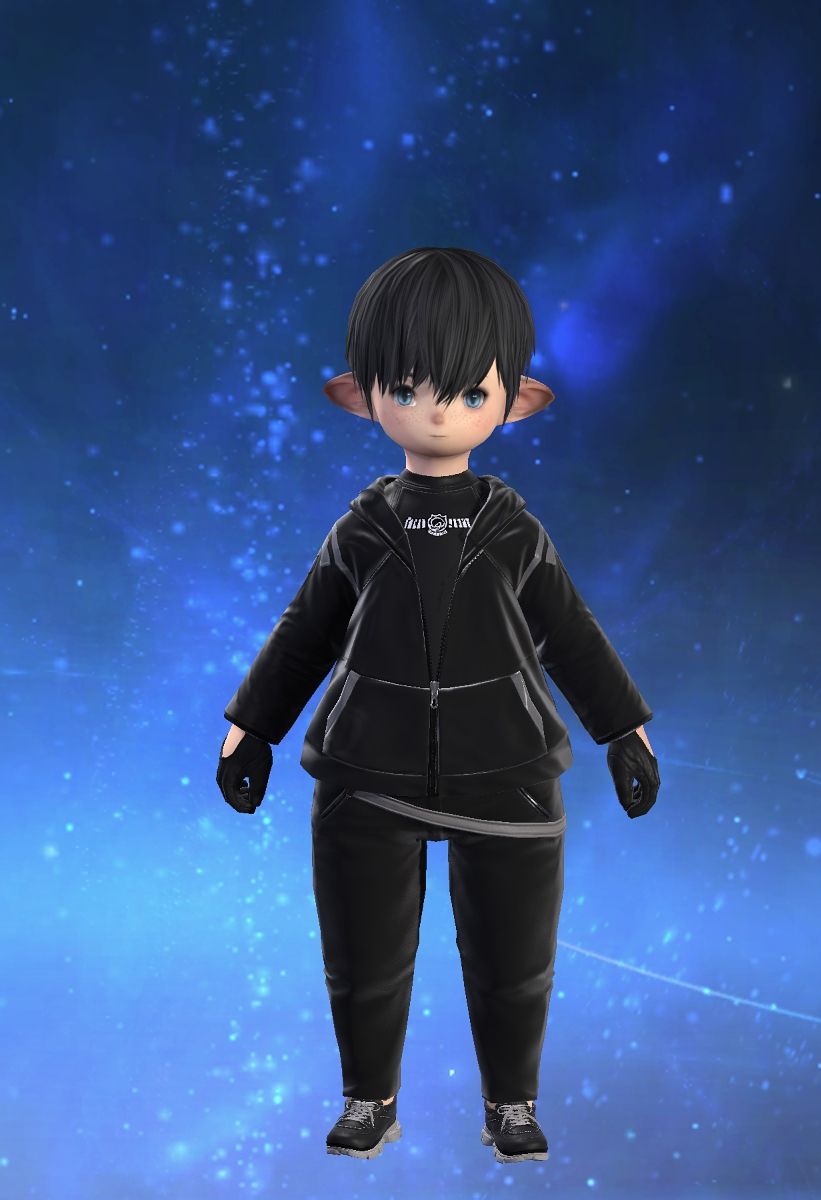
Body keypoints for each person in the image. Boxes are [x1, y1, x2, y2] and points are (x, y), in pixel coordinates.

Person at [216, 246, 661, 1163]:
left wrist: (624, 729)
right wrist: (251, 726)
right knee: (364, 958)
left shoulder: (514, 530)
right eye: (410, 386)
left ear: (513, 401)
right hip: (364, 768)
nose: (437, 409)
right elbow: (305, 631)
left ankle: (512, 1105)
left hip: (509, 768)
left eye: (468, 391)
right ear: (364, 395)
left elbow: (569, 633)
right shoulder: (362, 528)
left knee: (513, 960)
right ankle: (368, 1099)